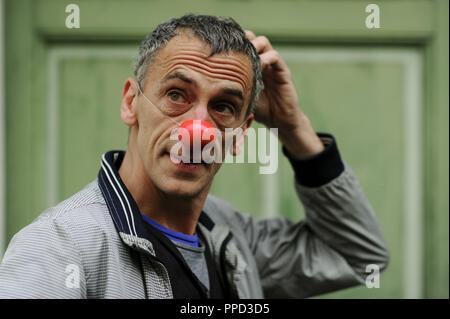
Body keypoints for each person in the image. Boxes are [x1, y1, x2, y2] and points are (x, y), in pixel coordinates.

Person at [0, 14, 389, 299]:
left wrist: (292, 126)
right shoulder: (58, 247)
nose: (197, 131)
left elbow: (360, 257)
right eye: (176, 95)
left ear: (239, 135)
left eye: (223, 106)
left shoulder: (234, 239)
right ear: (131, 102)